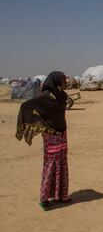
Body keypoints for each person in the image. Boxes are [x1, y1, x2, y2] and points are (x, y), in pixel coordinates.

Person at [16, 71, 71, 209]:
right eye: (63, 81)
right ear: (56, 82)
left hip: (62, 133)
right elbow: (26, 106)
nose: (65, 83)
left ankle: (61, 196)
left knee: (62, 164)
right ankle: (44, 198)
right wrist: (39, 124)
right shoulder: (45, 97)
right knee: (51, 164)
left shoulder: (62, 96)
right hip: (51, 134)